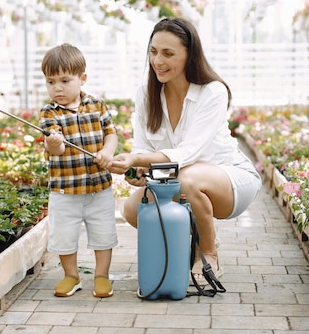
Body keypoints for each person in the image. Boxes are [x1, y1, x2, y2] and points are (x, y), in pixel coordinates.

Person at [110, 18, 262, 285]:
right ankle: (186, 244)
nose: (158, 61)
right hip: (178, 179)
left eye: (168, 54)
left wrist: (139, 159)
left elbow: (188, 152)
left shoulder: (212, 92)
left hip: (230, 179)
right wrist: (137, 169)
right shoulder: (146, 95)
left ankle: (208, 252)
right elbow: (143, 147)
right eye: (154, 52)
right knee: (134, 209)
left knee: (187, 179)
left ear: (189, 56)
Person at [39, 43, 119, 298]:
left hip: (98, 187)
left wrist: (107, 152)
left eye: (64, 80)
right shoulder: (49, 112)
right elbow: (56, 149)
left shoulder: (97, 105)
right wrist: (54, 144)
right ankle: (71, 276)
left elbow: (111, 134)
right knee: (64, 234)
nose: (57, 88)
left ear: (82, 79)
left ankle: (102, 276)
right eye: (51, 82)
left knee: (103, 231)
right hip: (65, 189)